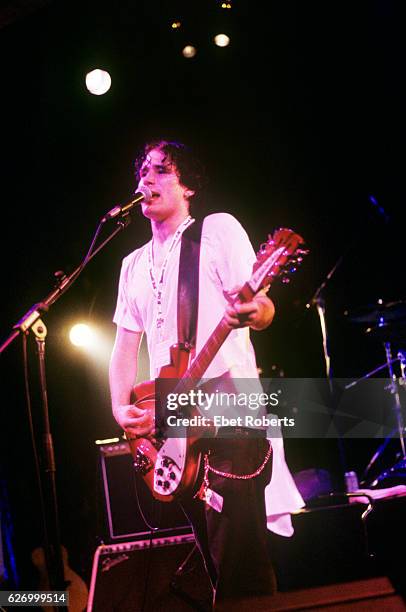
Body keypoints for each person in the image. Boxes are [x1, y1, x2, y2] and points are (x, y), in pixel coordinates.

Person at [109, 139, 304, 609]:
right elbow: (123, 348)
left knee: (242, 565)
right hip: (175, 422)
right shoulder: (131, 264)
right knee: (215, 566)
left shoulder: (216, 232)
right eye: (142, 172)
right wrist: (119, 408)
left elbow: (263, 305)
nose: (146, 180)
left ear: (189, 185)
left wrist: (253, 310)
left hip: (231, 410)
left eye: (160, 171)